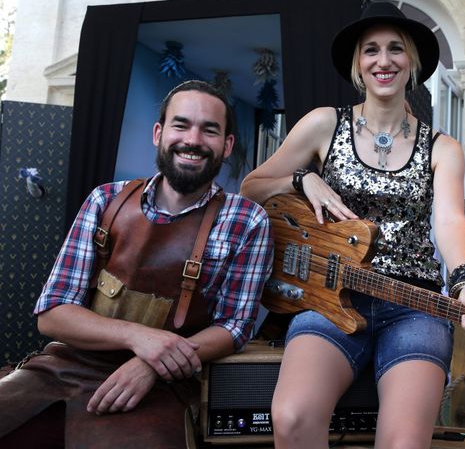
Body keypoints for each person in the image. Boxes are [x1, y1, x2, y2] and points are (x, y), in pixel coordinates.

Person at [240, 1, 465, 448]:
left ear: (412, 64)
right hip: (329, 295)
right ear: (357, 65)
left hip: (414, 304)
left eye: (395, 50)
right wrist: (301, 177)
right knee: (291, 418)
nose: (383, 61)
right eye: (371, 50)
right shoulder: (324, 124)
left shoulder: (443, 148)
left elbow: (448, 219)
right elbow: (251, 187)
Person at [0, 80, 274, 447]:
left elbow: (234, 327)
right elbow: (52, 313)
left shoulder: (248, 220)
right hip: (65, 367)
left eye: (209, 130)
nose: (192, 139)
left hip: (169, 382)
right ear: (159, 133)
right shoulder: (105, 200)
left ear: (226, 146)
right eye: (181, 125)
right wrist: (140, 338)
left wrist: (150, 363)